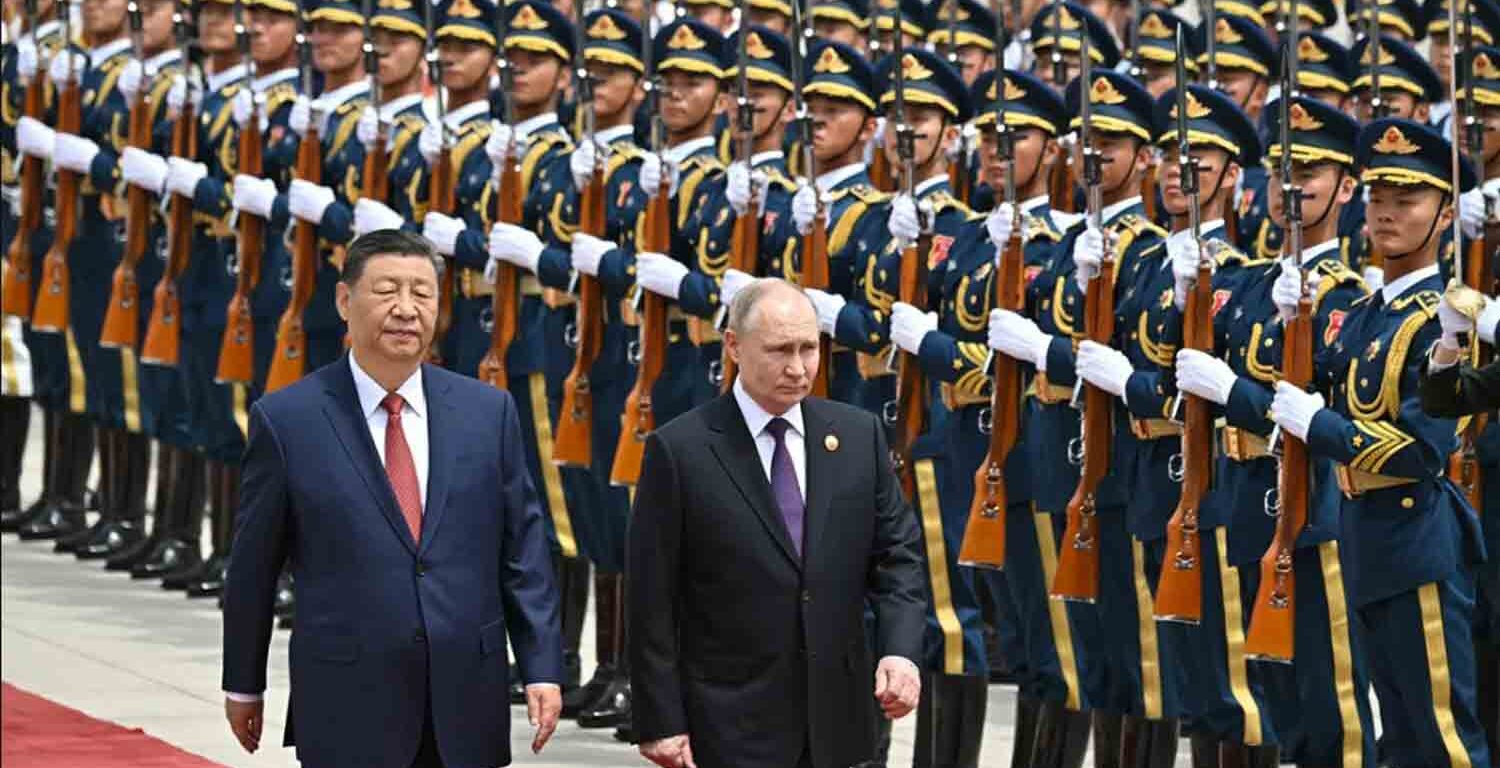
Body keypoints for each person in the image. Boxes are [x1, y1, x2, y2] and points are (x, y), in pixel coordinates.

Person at [221, 229, 564, 767]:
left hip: (465, 700)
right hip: (346, 698)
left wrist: (542, 665)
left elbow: (524, 552)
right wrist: (244, 682)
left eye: (422, 293)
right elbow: (253, 568)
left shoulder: (487, 413)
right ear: (343, 300)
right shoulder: (289, 421)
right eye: (387, 291)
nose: (406, 309)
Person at [627, 277, 926, 768]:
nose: (797, 368)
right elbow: (651, 598)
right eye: (779, 350)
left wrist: (900, 650)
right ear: (734, 347)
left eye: (809, 349)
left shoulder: (856, 436)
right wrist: (660, 719)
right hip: (729, 724)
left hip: (839, 724)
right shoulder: (681, 451)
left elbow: (897, 556)